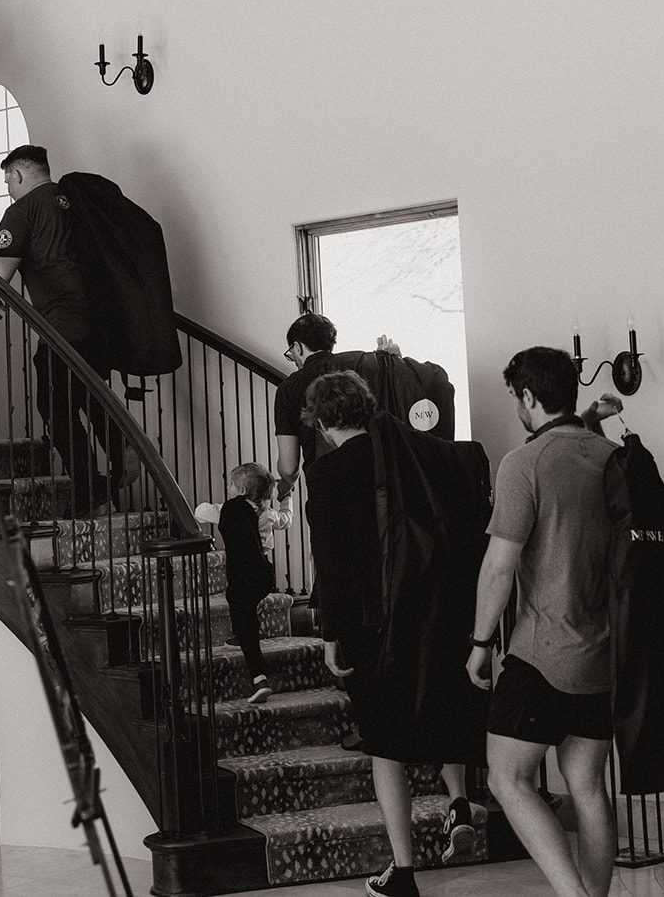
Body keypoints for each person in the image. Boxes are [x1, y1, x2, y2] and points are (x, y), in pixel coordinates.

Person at [303, 370, 486, 897]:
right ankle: (456, 803)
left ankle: (402, 870)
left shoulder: (328, 473)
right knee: (442, 703)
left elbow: (332, 564)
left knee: (385, 742)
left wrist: (331, 633)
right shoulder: (419, 453)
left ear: (320, 420)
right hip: (438, 608)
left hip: (371, 623)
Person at [467, 347, 620, 897]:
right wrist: (594, 424)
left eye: (515, 398)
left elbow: (499, 566)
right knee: (588, 787)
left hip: (541, 654)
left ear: (529, 397)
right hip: (603, 656)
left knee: (507, 777)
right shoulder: (607, 455)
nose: (516, 409)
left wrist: (480, 642)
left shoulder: (522, 463)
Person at [0, 144, 125, 516]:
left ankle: (91, 493)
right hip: (100, 322)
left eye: (7, 181)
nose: (8, 188)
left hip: (63, 325)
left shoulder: (21, 211)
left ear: (17, 175)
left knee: (56, 407)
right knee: (92, 396)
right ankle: (121, 457)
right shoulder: (75, 198)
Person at [273, 313, 400, 500]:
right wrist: (392, 362)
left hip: (327, 488)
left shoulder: (289, 388)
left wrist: (286, 482)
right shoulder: (357, 369)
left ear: (297, 347)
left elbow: (289, 467)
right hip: (380, 480)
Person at [198, 463, 281, 703]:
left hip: (243, 576)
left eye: (232, 485)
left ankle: (259, 678)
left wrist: (196, 510)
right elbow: (285, 519)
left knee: (241, 613)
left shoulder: (231, 508)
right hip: (264, 573)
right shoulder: (264, 511)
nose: (229, 488)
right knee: (244, 611)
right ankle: (243, 629)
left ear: (242, 490)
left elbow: (201, 511)